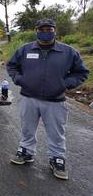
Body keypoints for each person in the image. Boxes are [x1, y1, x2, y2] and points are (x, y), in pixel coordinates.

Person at [7, 19, 89, 180]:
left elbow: (81, 72)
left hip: (55, 100)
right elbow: (11, 66)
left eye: (49, 29)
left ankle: (57, 159)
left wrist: (65, 84)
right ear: (36, 31)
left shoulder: (68, 52)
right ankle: (26, 151)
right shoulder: (25, 50)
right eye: (42, 29)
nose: (46, 31)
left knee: (56, 132)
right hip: (28, 98)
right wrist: (19, 79)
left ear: (55, 31)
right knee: (27, 128)